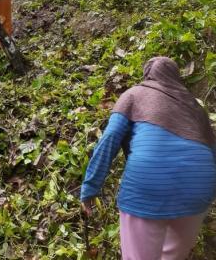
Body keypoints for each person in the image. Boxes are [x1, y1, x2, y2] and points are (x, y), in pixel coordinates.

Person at [80, 57, 216, 260]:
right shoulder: (196, 108)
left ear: (147, 75)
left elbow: (109, 139)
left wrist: (89, 189)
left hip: (149, 186)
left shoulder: (134, 94)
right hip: (199, 190)